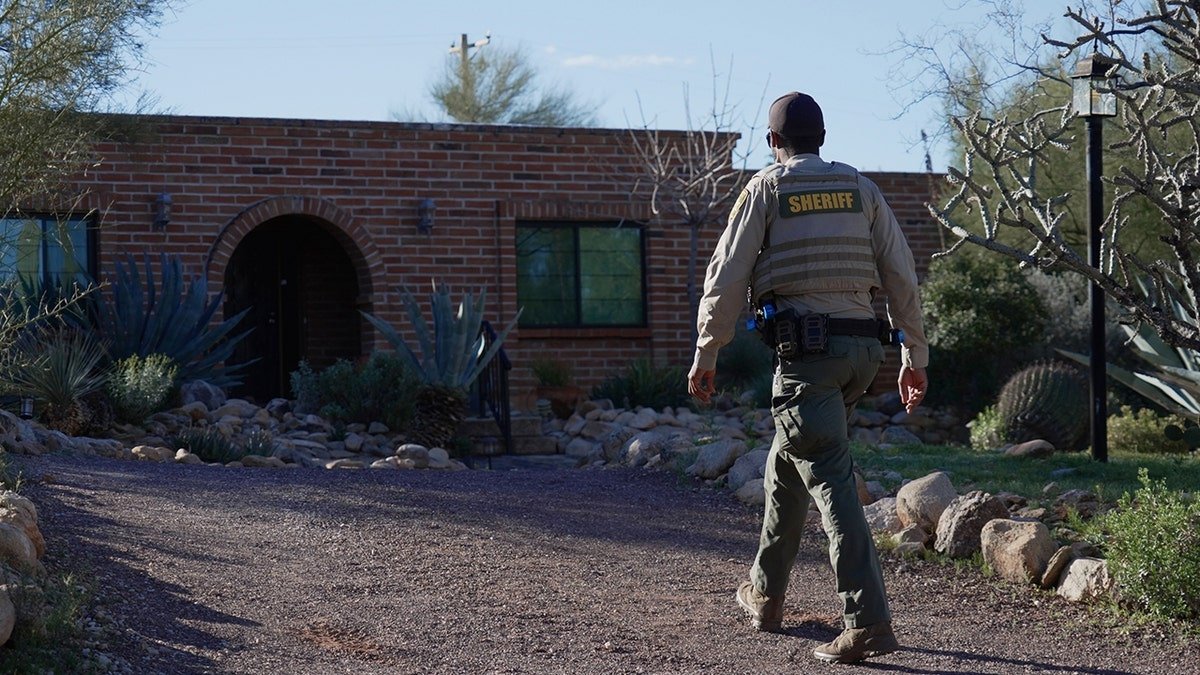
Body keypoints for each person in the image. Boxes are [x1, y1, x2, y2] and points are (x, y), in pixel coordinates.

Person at [687, 91, 928, 664]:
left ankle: (867, 622)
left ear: (774, 143)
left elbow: (726, 276)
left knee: (831, 484)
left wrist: (706, 351)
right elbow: (901, 273)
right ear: (822, 137)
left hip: (806, 361)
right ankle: (766, 597)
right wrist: (914, 356)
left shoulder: (767, 188)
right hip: (862, 357)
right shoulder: (861, 189)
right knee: (785, 467)